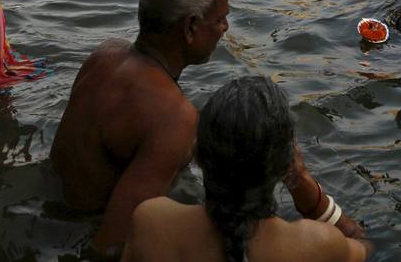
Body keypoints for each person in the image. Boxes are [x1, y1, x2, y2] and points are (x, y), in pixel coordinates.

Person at [53, 0, 231, 256]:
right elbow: (113, 244)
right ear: (190, 27)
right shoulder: (174, 117)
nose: (225, 28)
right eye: (221, 18)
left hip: (54, 215)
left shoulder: (104, 55)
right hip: (85, 234)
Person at [123, 76, 370, 262]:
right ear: (285, 165)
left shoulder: (150, 223)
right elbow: (362, 243)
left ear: (197, 153)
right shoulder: (316, 245)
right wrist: (303, 182)